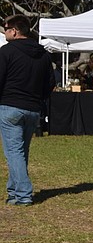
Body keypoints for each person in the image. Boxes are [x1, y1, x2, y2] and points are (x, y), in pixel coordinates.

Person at [0, 15, 55, 206]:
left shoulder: (6, 52)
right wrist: (39, 99)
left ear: (15, 31)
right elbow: (50, 83)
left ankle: (23, 194)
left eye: (6, 29)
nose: (4, 32)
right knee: (21, 151)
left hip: (10, 106)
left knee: (14, 152)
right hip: (32, 108)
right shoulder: (44, 54)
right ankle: (14, 192)